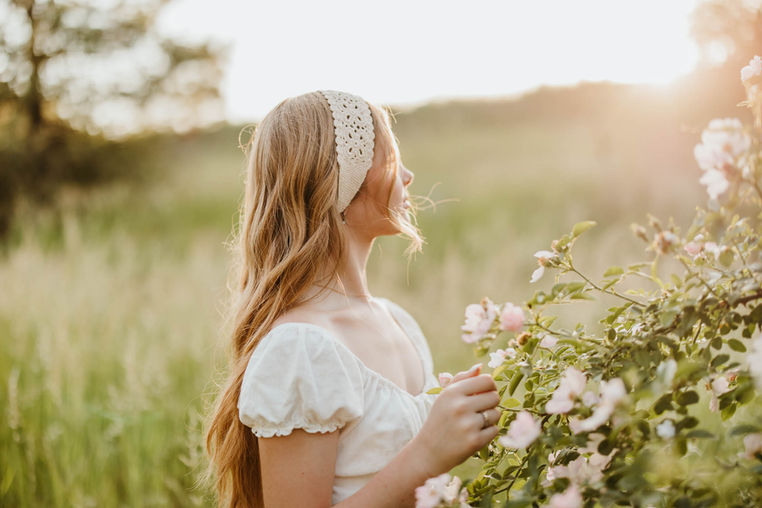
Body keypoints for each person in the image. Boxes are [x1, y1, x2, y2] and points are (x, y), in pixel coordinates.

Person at [205, 90, 501, 508]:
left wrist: (453, 419)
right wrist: (427, 453)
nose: (409, 175)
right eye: (392, 158)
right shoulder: (300, 349)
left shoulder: (398, 321)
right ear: (342, 181)